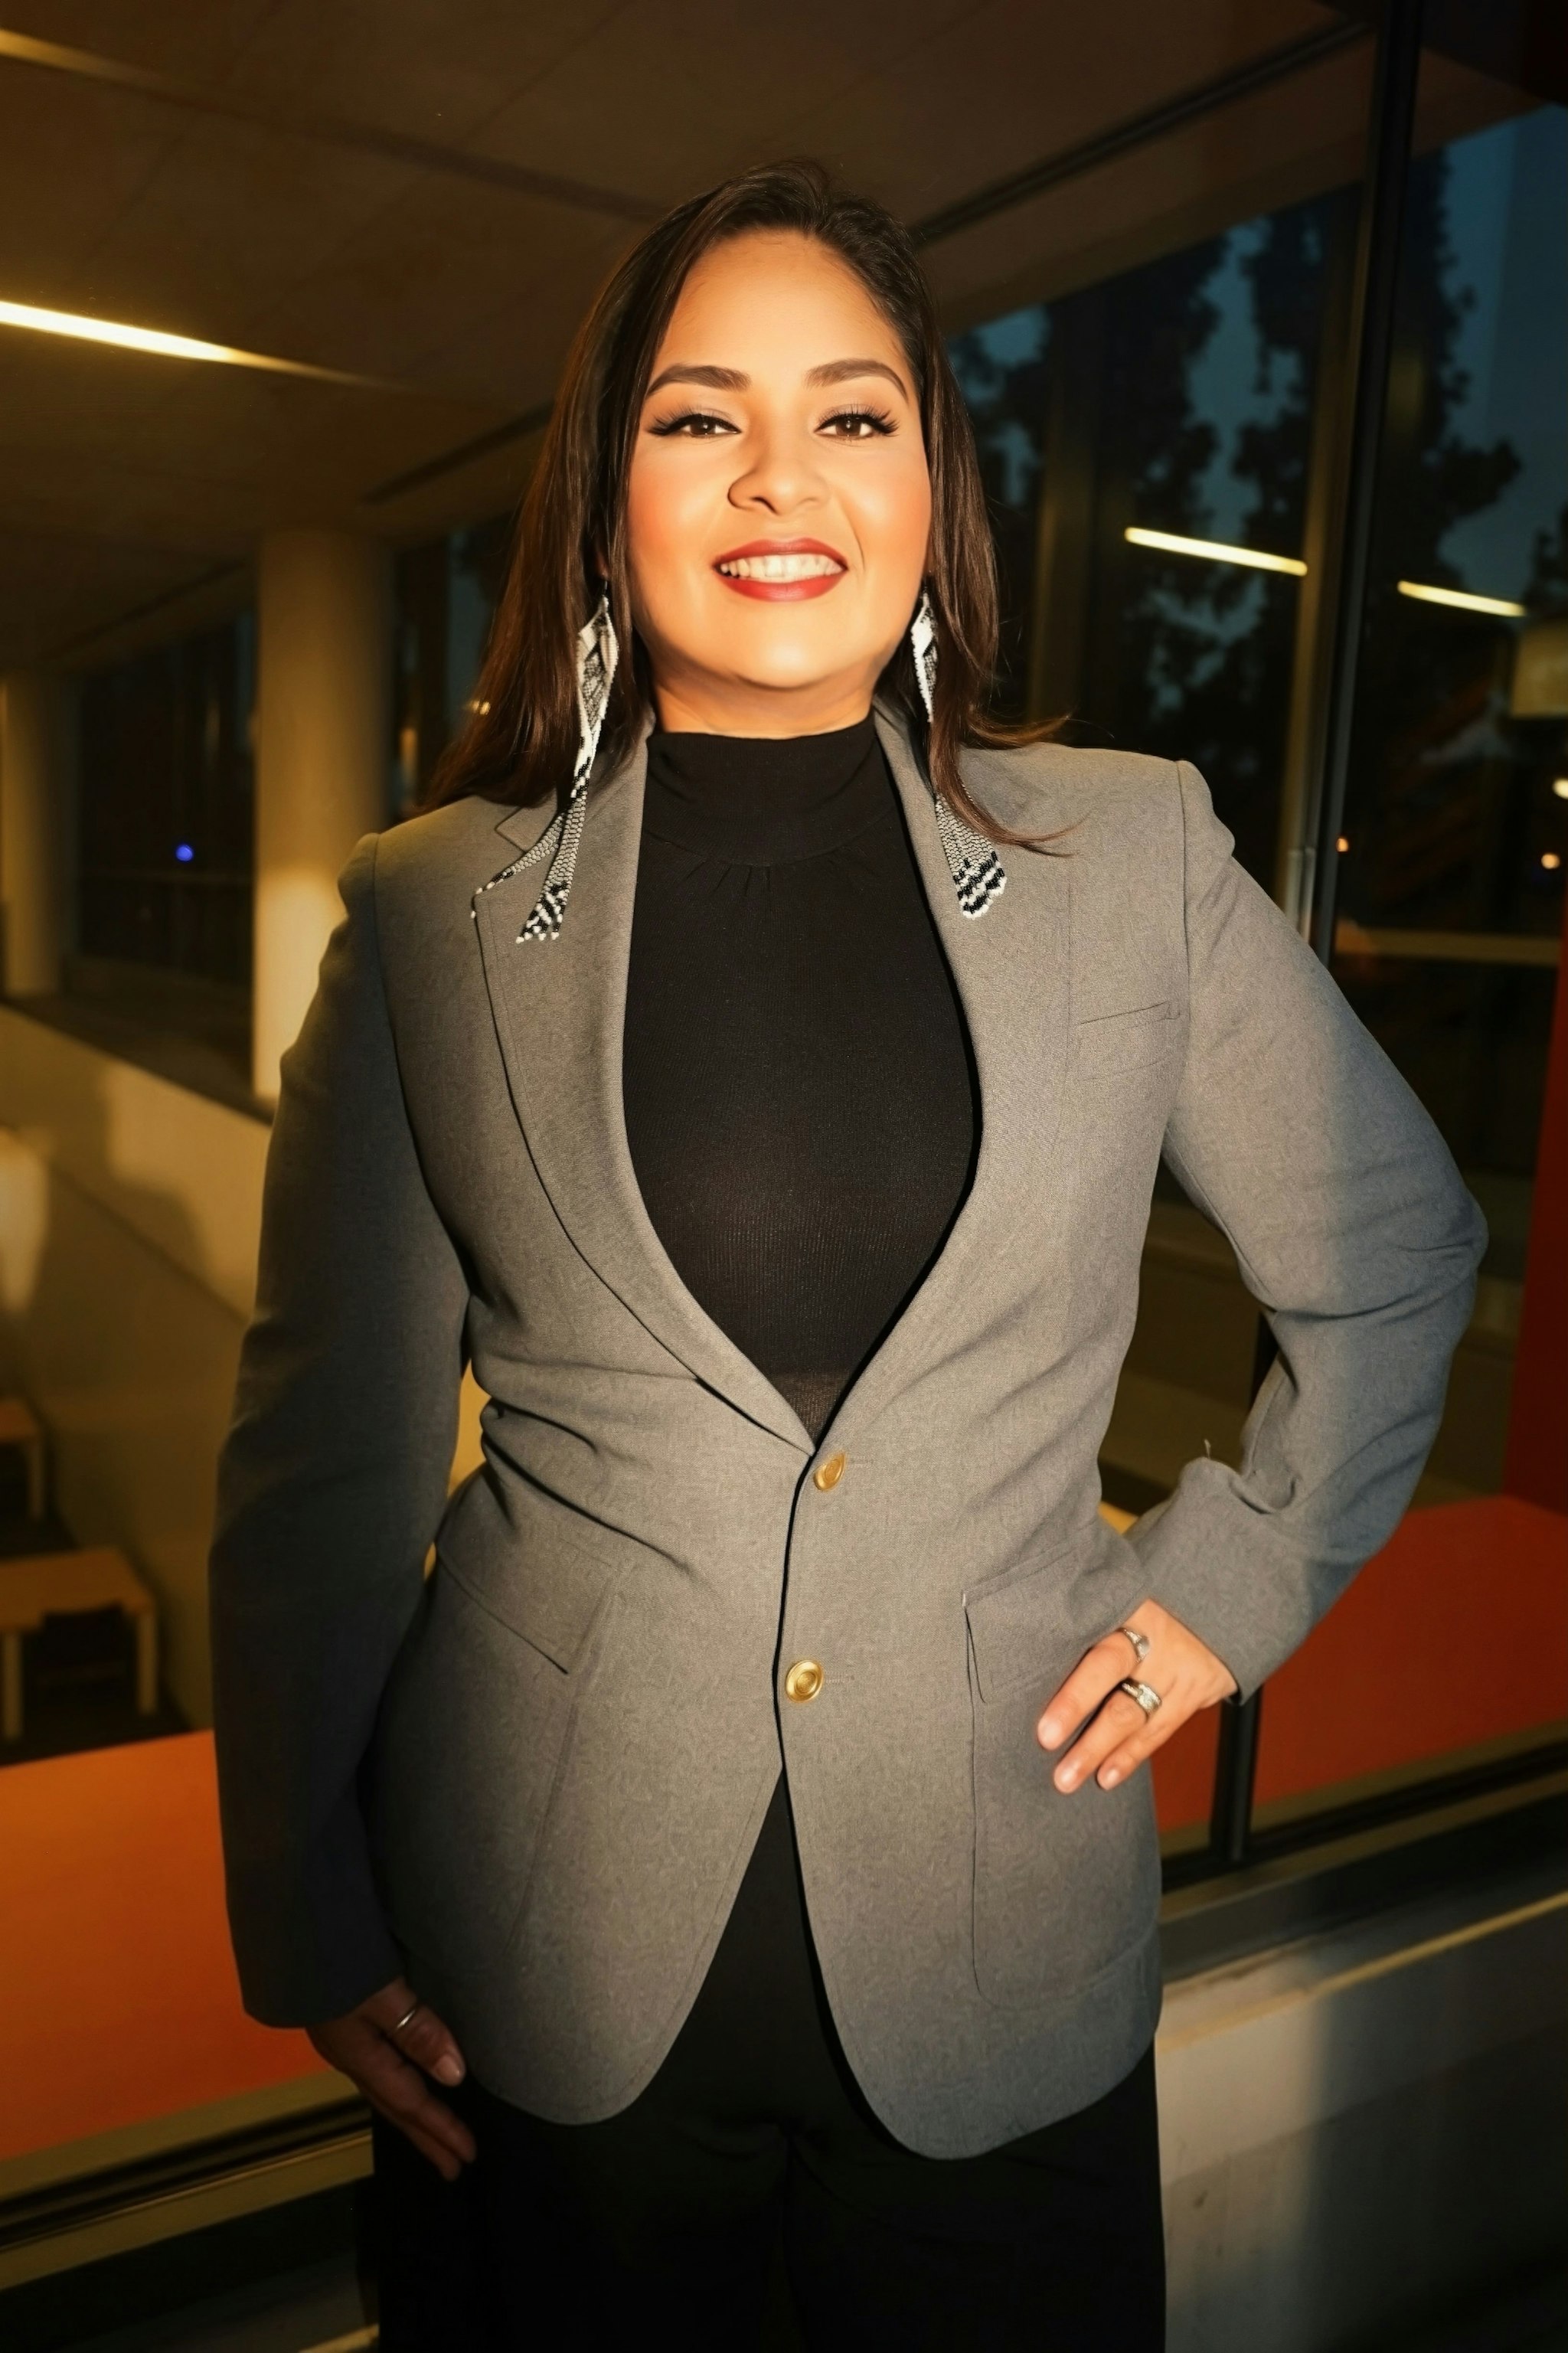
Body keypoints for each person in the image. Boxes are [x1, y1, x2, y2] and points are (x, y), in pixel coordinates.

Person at [208, 161, 1485, 2348]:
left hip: (1006, 1958)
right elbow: (323, 1469)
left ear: (935, 483)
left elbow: (1393, 1258)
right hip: (540, 1959)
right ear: (606, 489)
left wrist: (1232, 1581)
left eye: (855, 412)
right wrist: (311, 1911)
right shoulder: (432, 911)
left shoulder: (1135, 852)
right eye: (701, 415)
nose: (779, 474)